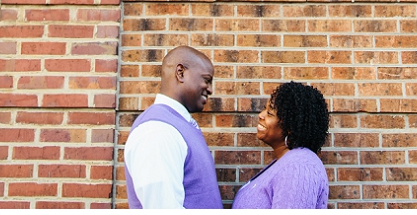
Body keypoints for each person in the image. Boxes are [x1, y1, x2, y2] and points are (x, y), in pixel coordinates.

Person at [123, 46, 223, 209]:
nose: (210, 89)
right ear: (180, 73)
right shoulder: (158, 131)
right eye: (206, 80)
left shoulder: (175, 125)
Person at [232, 81, 330, 209]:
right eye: (265, 109)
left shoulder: (299, 166)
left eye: (269, 113)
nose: (261, 115)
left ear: (290, 127)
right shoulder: (286, 163)